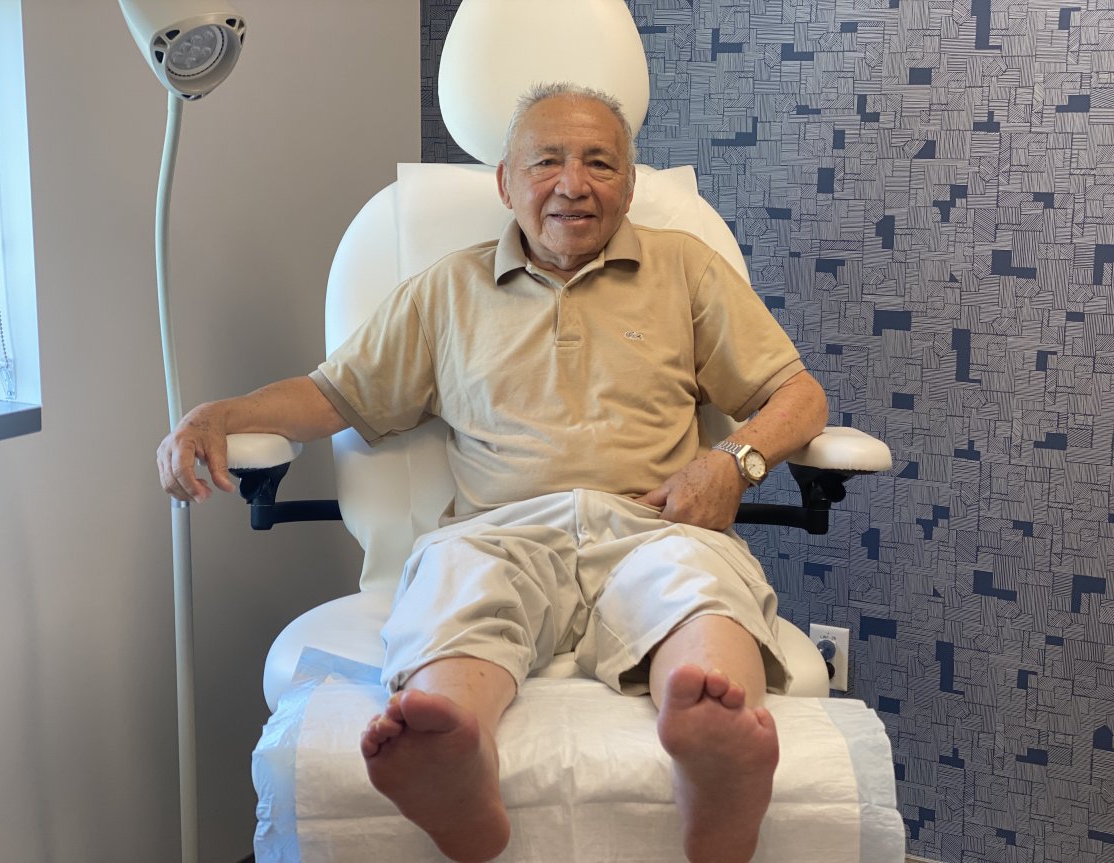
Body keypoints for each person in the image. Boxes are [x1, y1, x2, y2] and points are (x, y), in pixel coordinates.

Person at [158, 83, 828, 863]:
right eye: (546, 161)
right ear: (506, 183)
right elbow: (329, 394)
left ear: (630, 184)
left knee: (699, 585)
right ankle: (452, 747)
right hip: (501, 535)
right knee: (456, 581)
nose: (572, 184)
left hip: (655, 525)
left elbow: (799, 395)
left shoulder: (686, 267)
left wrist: (733, 462)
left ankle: (713, 744)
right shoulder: (447, 289)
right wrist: (220, 414)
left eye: (599, 163)